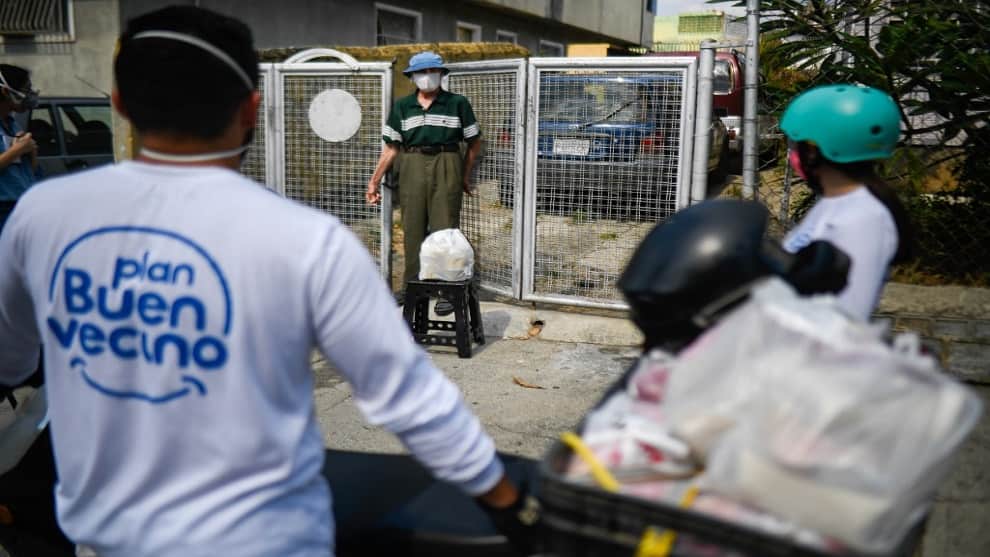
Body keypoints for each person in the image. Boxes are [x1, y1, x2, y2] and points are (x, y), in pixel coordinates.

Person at [0, 6, 532, 556]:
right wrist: (510, 500)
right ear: (253, 107)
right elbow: (411, 400)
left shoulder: (41, 215)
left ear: (119, 104)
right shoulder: (309, 241)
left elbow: (10, 363)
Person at [780, 83, 914, 321]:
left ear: (814, 152)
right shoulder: (836, 201)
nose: (791, 153)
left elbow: (847, 318)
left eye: (795, 144)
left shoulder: (863, 220)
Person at [365, 51, 482, 314]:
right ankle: (412, 287)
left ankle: (446, 291)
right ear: (413, 77)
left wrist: (464, 175)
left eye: (432, 71)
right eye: (421, 72)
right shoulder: (403, 107)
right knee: (413, 227)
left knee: (445, 229)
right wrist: (374, 181)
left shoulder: (457, 103)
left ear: (441, 74)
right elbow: (391, 148)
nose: (427, 77)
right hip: (412, 163)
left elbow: (474, 142)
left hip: (447, 160)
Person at [0, 63, 40, 234]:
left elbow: (26, 172)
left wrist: (31, 152)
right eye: (25, 89)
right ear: (5, 91)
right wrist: (16, 151)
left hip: (22, 204)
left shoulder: (11, 123)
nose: (29, 95)